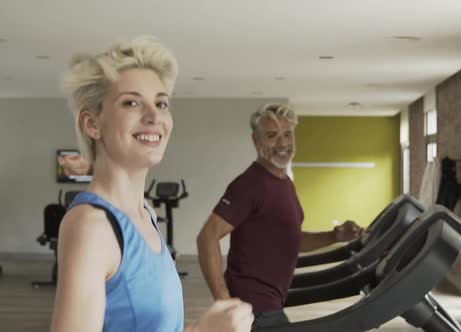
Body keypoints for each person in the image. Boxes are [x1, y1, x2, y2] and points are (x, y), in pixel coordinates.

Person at [50, 37, 253, 332]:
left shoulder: (146, 213)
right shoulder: (92, 227)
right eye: (131, 102)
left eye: (161, 103)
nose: (154, 116)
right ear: (92, 123)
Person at [197, 104, 364, 329]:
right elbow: (207, 236)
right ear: (256, 141)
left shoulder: (284, 182)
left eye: (287, 135)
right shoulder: (250, 184)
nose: (283, 143)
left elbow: (291, 239)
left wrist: (335, 236)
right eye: (272, 136)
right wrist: (224, 303)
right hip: (256, 308)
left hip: (269, 304)